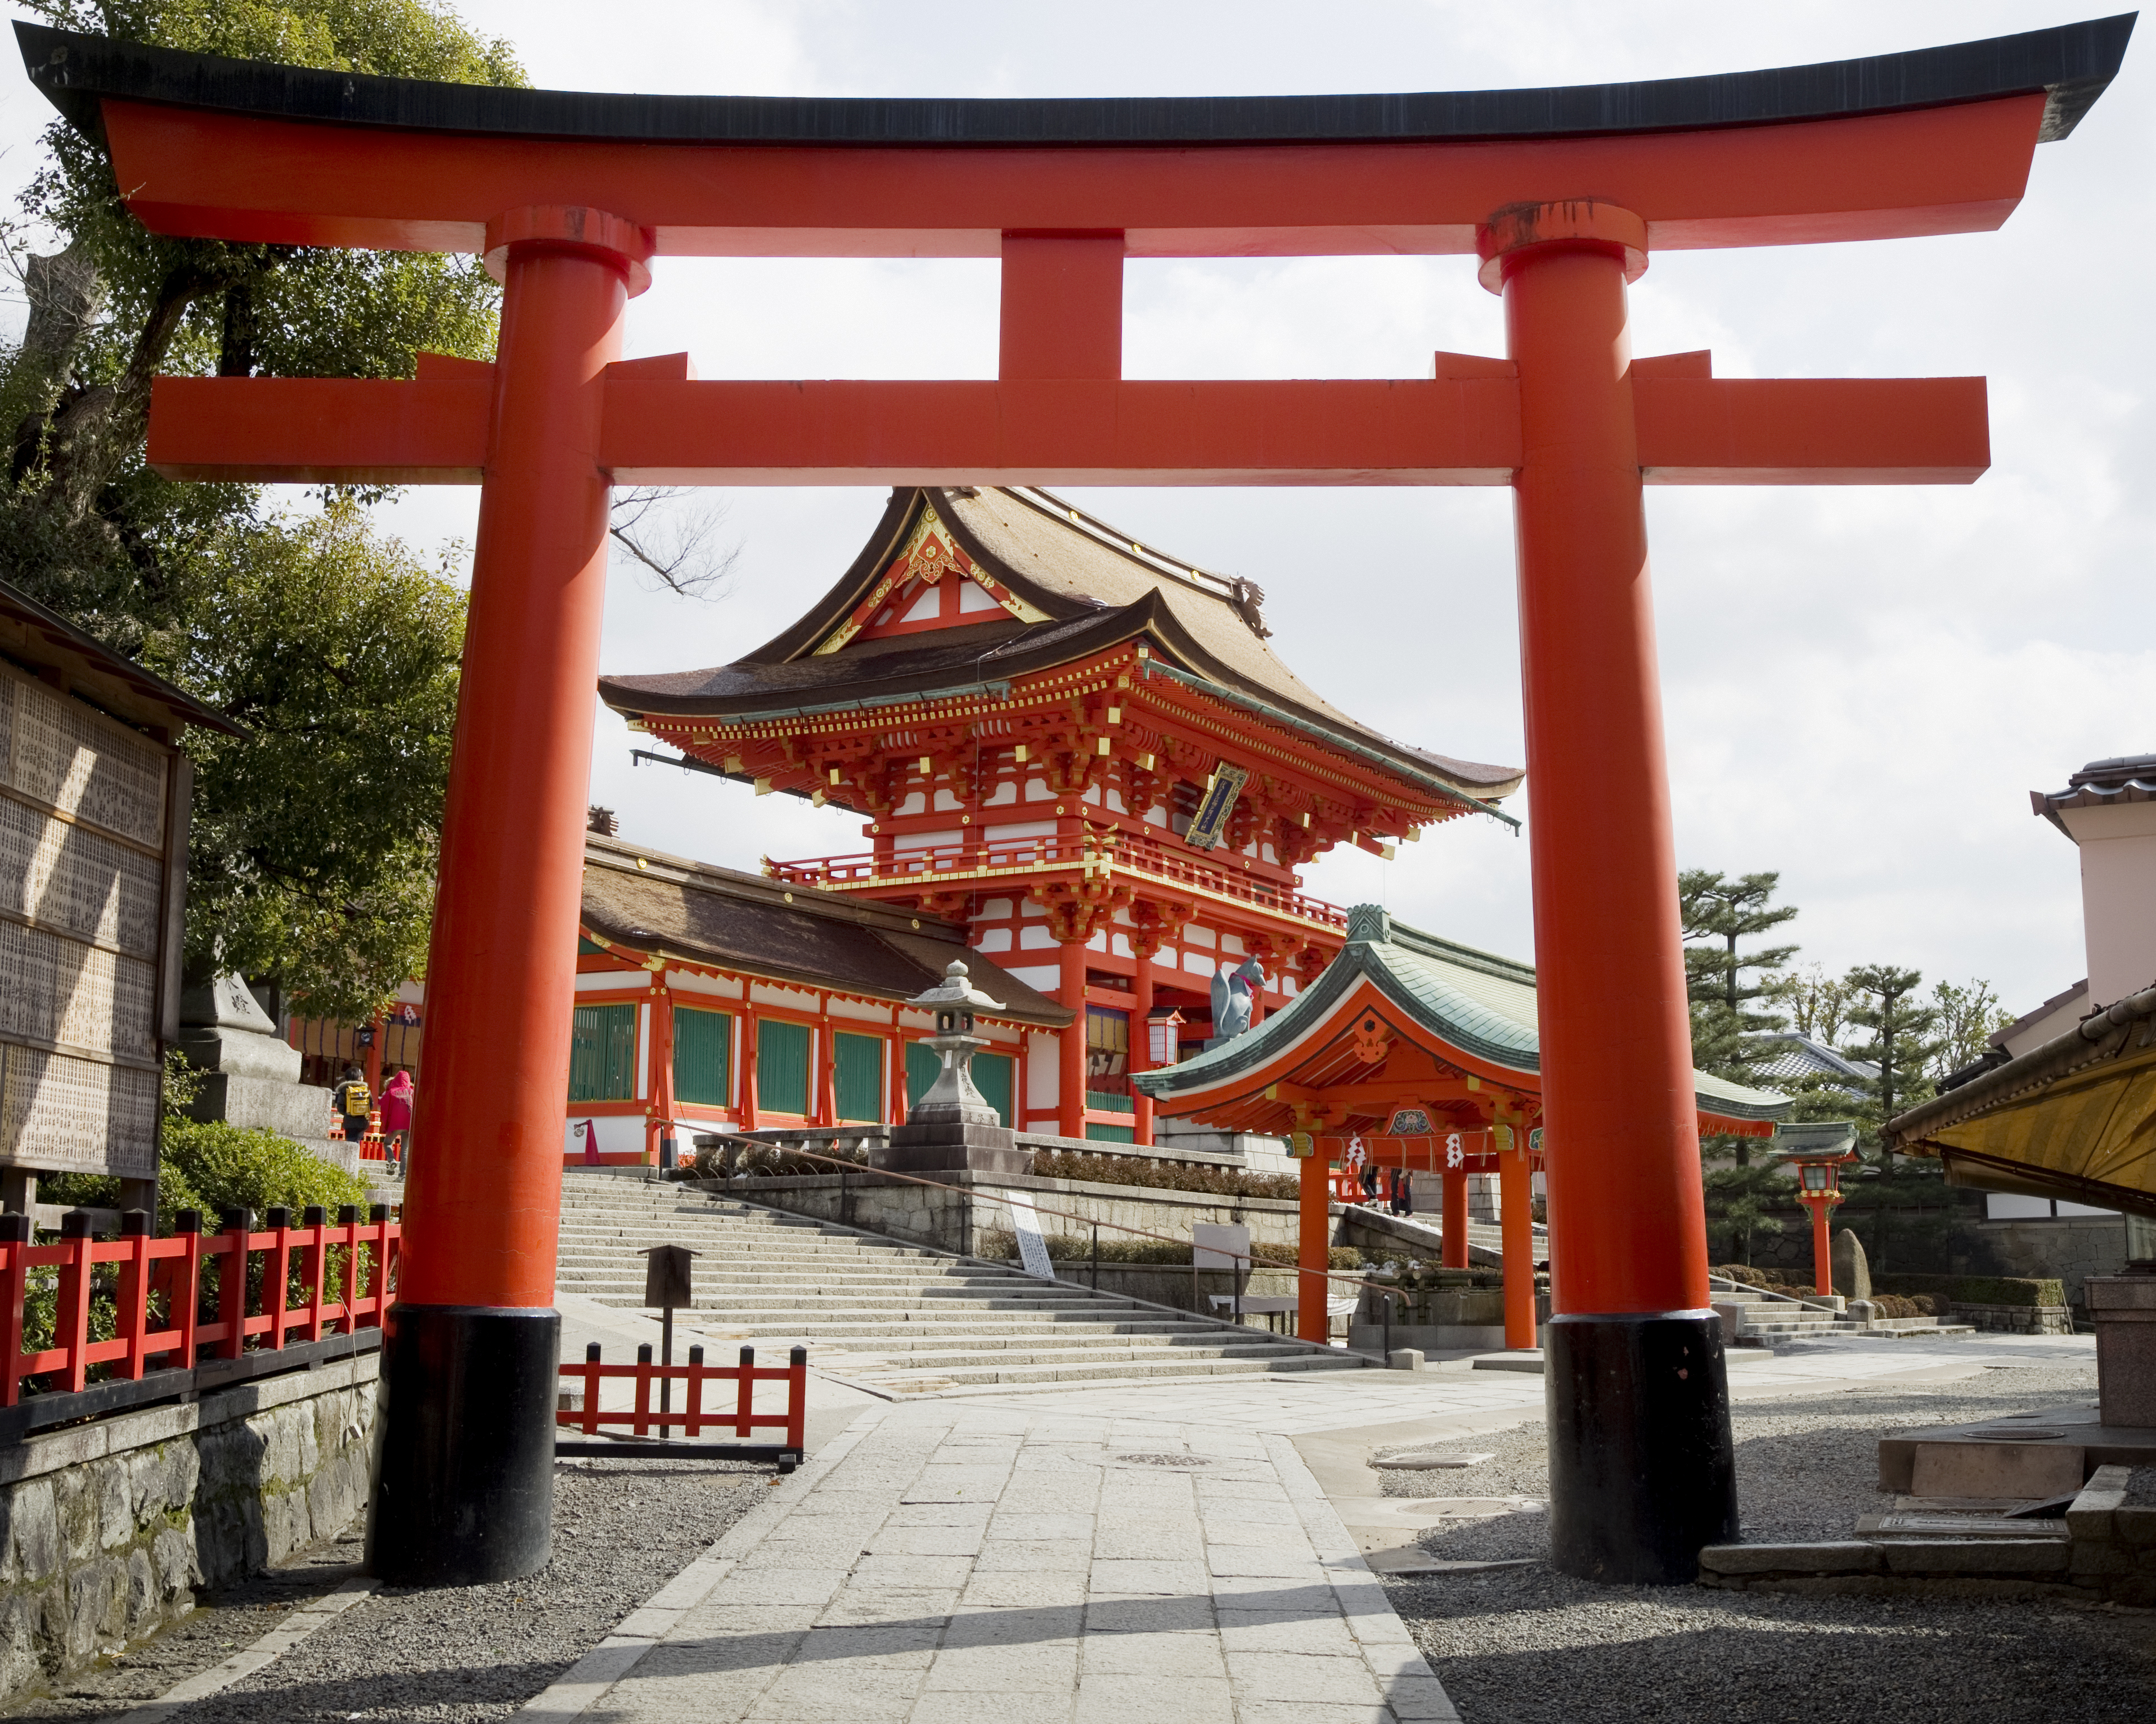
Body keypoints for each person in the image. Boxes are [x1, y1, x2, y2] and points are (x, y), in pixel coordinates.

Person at [381, 1067, 415, 1174]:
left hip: (395, 1125)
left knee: (387, 1144)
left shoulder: (392, 1092)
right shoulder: (412, 1092)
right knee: (405, 1150)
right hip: (409, 1126)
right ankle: (403, 1175)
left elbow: (384, 1109)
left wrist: (385, 1127)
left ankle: (391, 1160)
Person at [333, 1064, 371, 1148]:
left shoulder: (344, 1089)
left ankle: (351, 1158)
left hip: (349, 1121)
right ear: (360, 1078)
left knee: (350, 1141)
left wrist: (349, 1113)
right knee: (357, 1141)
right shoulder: (365, 1089)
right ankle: (355, 1157)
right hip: (363, 1121)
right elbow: (371, 1105)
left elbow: (340, 1107)